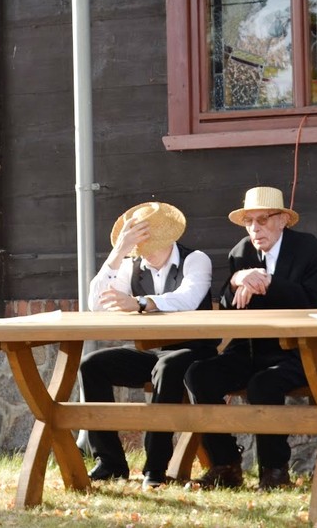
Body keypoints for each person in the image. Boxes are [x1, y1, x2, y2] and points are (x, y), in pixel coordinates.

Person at [184, 186, 317, 491]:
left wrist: (271, 283)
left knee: (263, 384)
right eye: (249, 221)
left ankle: (275, 472)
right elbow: (228, 305)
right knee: (200, 374)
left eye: (262, 220)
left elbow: (316, 302)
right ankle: (225, 466)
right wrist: (236, 281)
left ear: (283, 220)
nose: (255, 228)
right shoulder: (240, 252)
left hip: (299, 352)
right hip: (249, 349)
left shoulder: (308, 249)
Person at [79, 201, 216, 489]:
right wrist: (117, 253)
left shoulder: (196, 259)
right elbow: (96, 304)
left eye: (148, 241)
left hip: (195, 352)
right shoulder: (131, 266)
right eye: (137, 243)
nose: (143, 249)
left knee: (167, 367)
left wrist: (140, 303)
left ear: (168, 238)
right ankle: (110, 463)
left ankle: (155, 469)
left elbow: (188, 299)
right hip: (152, 352)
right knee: (92, 366)